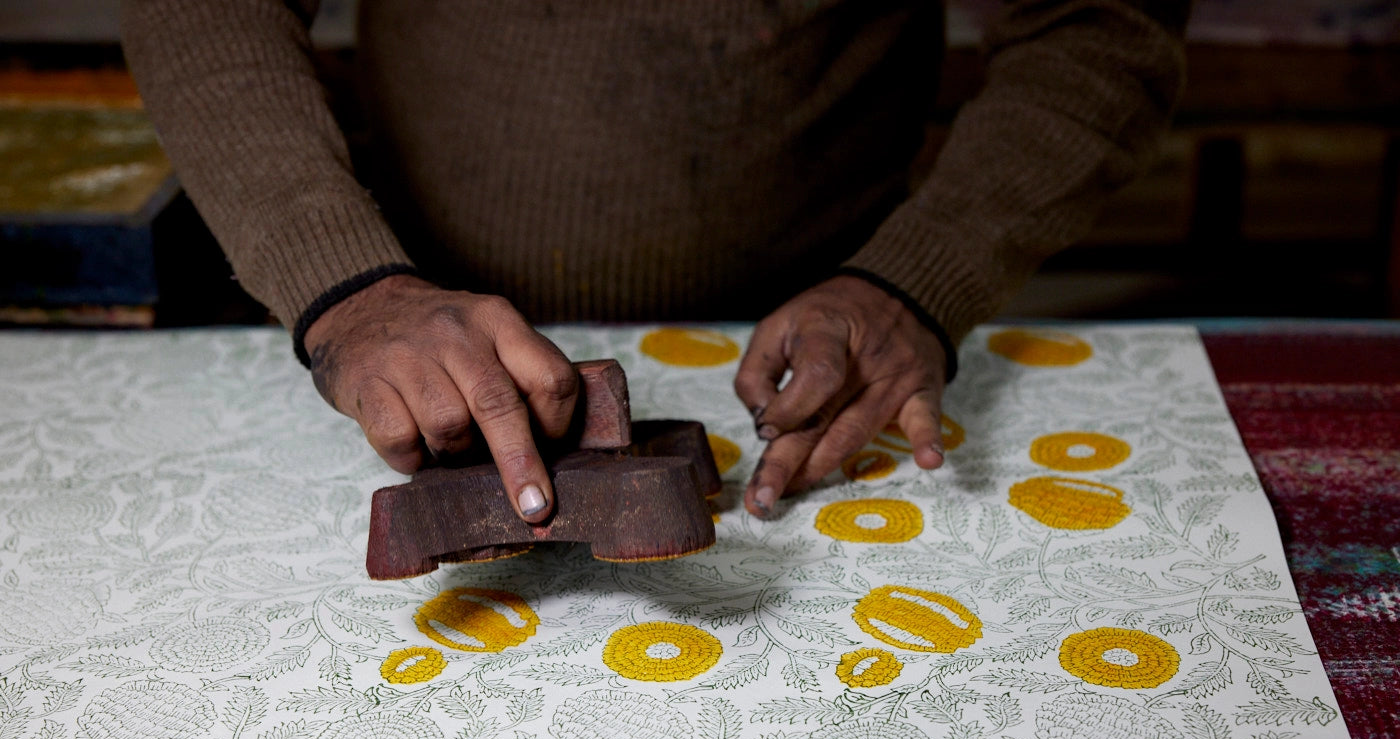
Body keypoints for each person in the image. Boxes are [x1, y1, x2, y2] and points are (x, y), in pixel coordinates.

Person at [121, 0, 1189, 522]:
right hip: (403, 333)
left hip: (837, 340)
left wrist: (922, 272)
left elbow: (1094, 20)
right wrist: (342, 281)